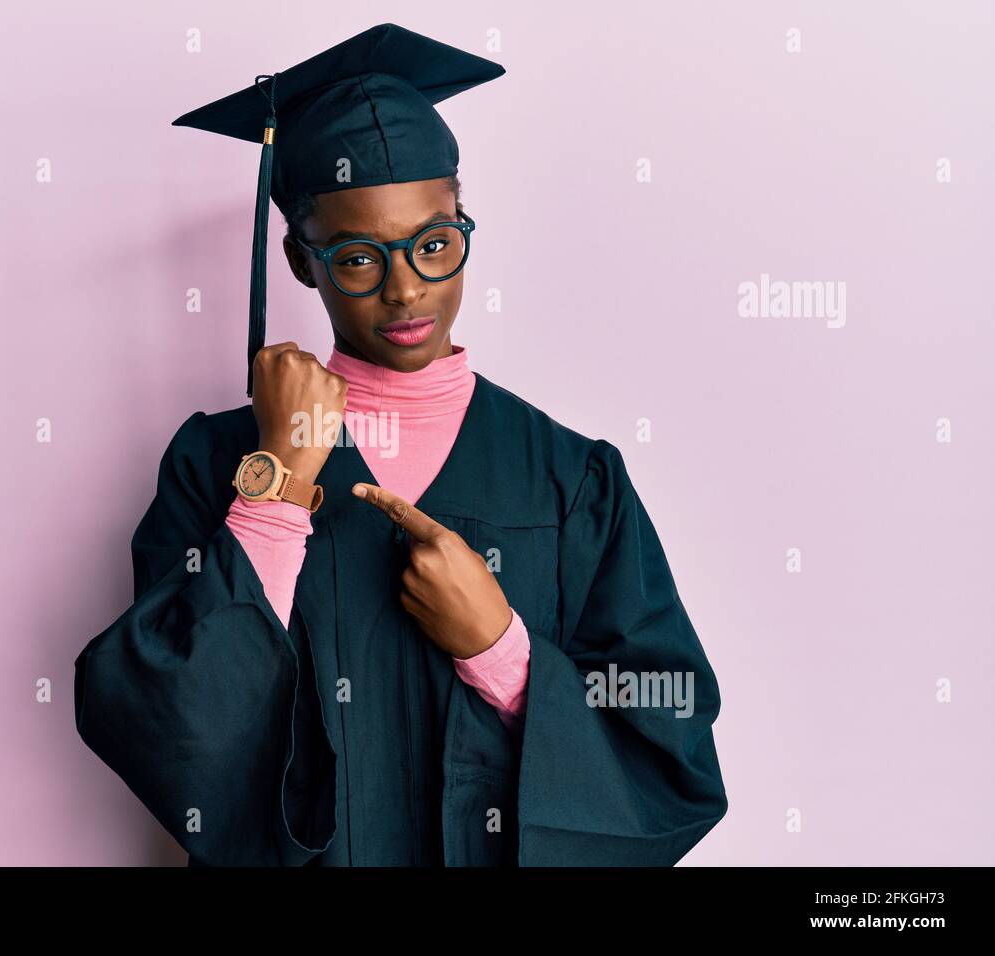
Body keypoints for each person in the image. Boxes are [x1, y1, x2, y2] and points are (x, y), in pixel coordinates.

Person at [74, 22, 728, 866]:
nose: (408, 285)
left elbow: (670, 746)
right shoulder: (217, 465)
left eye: (434, 243)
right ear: (301, 263)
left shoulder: (573, 480)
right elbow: (158, 722)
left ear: (463, 226)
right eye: (357, 258)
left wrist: (505, 652)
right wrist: (277, 491)